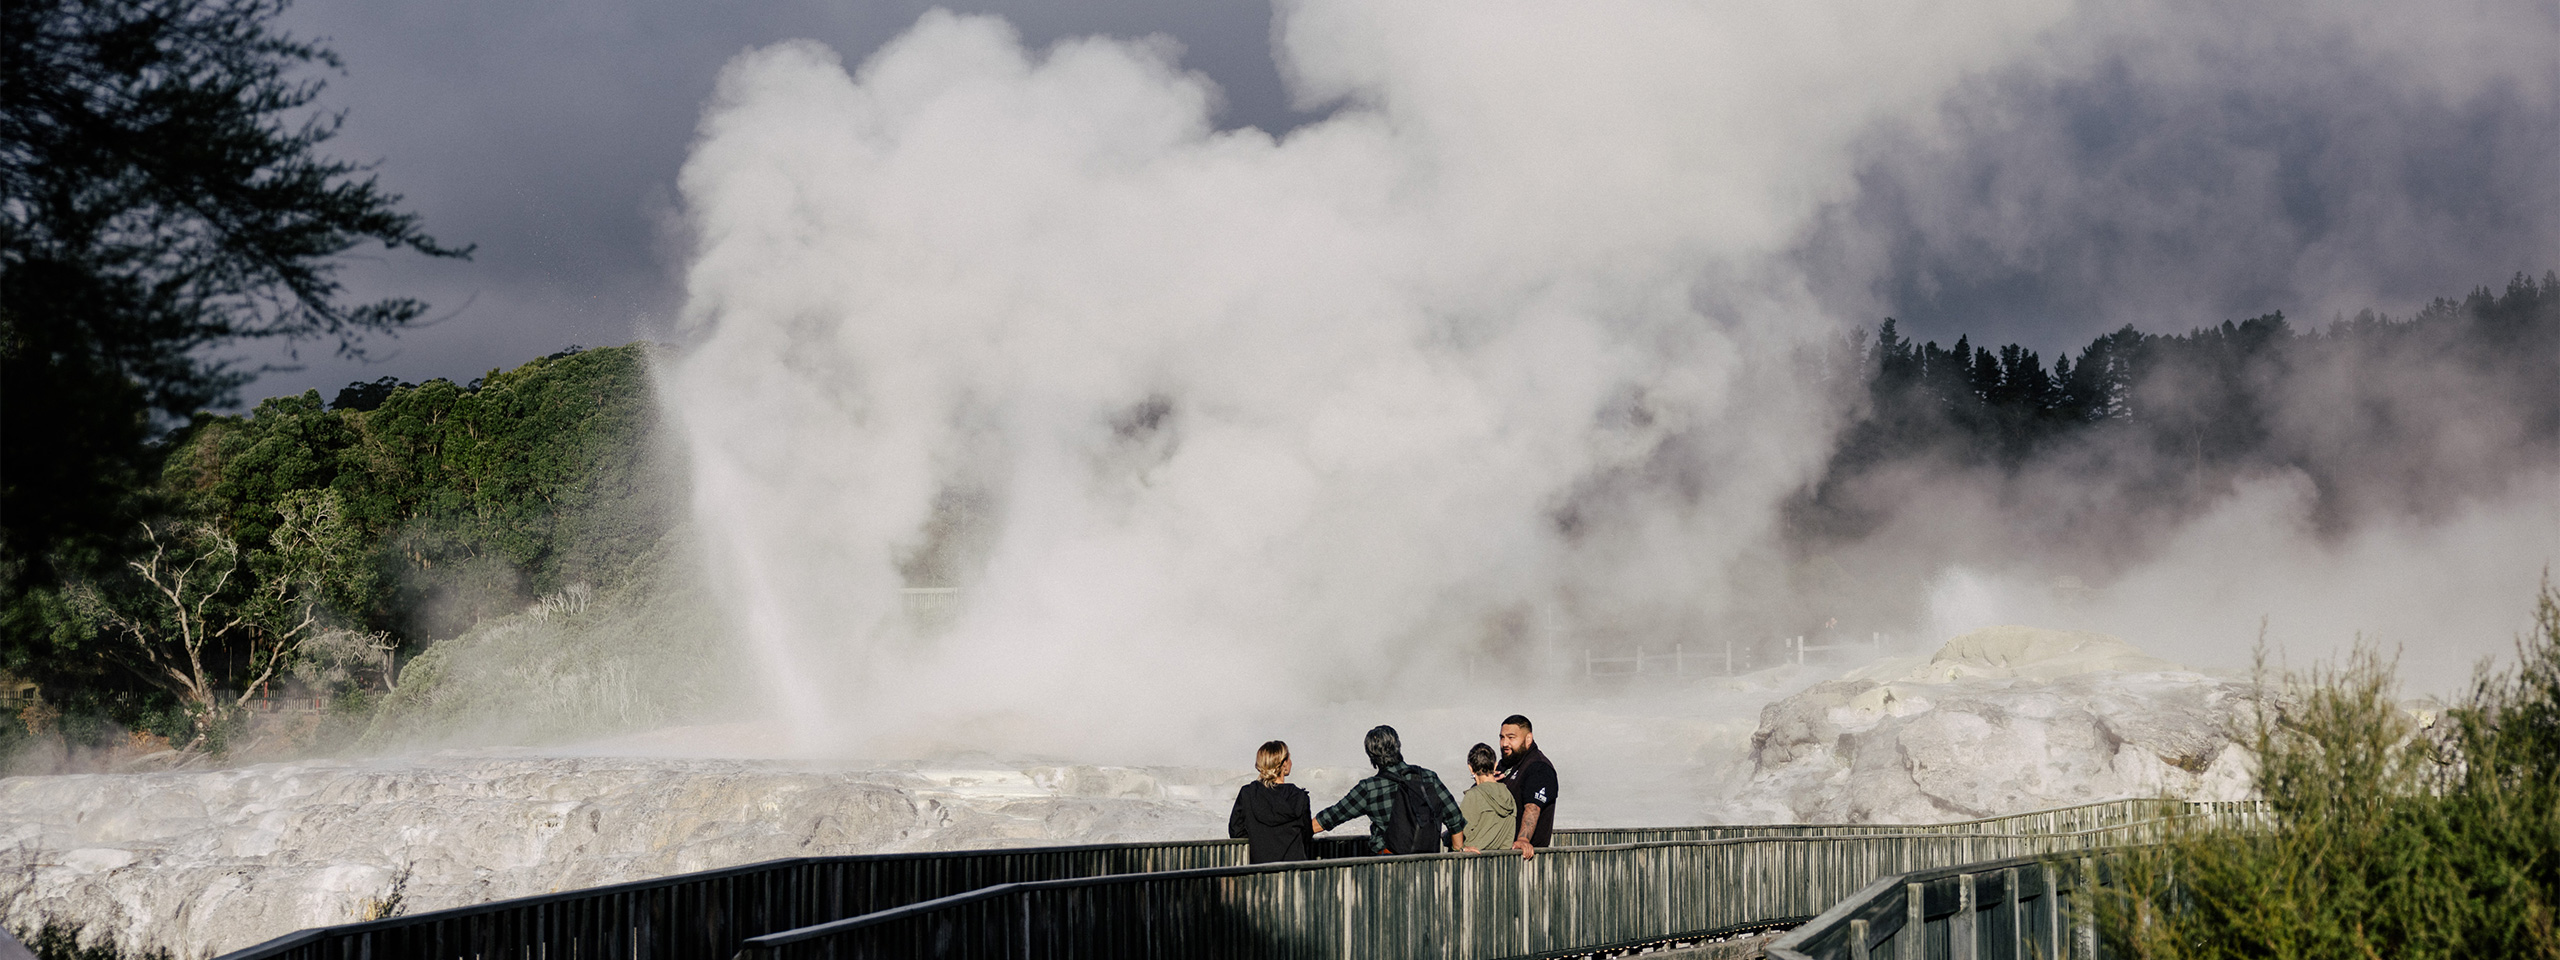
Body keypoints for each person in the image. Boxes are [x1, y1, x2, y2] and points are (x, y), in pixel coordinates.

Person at [1313, 725, 1466, 855]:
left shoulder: (1369, 788)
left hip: (1387, 867)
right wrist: (1458, 851)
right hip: (1427, 865)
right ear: (1398, 746)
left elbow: (1331, 817)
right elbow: (1454, 818)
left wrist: (1296, 829)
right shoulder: (1428, 777)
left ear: (1371, 755)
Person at [1228, 740, 1314, 863]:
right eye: (1289, 758)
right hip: (1295, 871)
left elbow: (1236, 830)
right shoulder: (1299, 796)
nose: (1291, 762)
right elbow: (1306, 834)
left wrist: (1258, 841)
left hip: (1260, 869)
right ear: (1283, 763)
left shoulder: (1248, 793)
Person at [1496, 714, 1559, 858]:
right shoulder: (1504, 765)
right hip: (1501, 855)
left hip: (1527, 860)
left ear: (1528, 738)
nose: (1505, 743)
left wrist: (1523, 839)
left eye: (1511, 737)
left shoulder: (1539, 767)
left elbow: (1533, 807)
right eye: (1502, 737)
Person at [1456, 742, 1520, 856]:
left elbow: (1460, 832)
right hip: (1501, 865)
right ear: (1495, 765)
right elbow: (1509, 838)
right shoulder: (1509, 796)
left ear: (1470, 768)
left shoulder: (1473, 796)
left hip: (1472, 863)